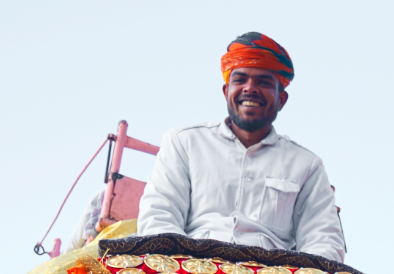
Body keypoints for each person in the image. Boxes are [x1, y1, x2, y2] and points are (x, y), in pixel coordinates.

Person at [137, 31, 345, 260]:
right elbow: (159, 216)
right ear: (226, 92)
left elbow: (323, 241)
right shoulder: (185, 142)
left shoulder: (306, 165)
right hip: (191, 268)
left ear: (281, 100)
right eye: (240, 80)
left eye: (263, 82)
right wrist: (182, 271)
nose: (250, 88)